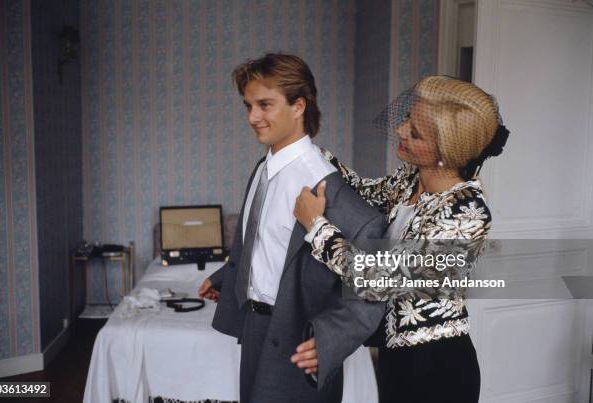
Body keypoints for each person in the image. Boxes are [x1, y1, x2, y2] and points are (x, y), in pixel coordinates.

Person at [290, 75, 510, 403]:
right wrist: (313, 155)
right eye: (408, 118)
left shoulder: (466, 215)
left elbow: (377, 280)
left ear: (444, 152)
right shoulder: (411, 178)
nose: (400, 130)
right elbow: (362, 191)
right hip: (395, 358)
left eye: (415, 132)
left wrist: (317, 227)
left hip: (438, 368)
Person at [198, 53, 386, 403]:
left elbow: (375, 289)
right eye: (248, 105)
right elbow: (264, 244)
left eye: (264, 105)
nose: (252, 117)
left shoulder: (333, 194)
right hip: (254, 330)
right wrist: (227, 276)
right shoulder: (263, 168)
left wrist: (329, 340)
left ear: (298, 106)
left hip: (298, 343)